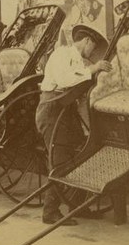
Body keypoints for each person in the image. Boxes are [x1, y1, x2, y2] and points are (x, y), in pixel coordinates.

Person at [36, 25, 112, 226]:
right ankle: (50, 212)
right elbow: (65, 80)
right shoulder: (62, 54)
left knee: (83, 154)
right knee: (60, 162)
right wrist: (93, 69)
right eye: (92, 47)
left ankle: (78, 206)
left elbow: (78, 98)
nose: (92, 53)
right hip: (51, 110)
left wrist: (89, 127)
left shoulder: (79, 62)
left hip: (66, 112)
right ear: (86, 41)